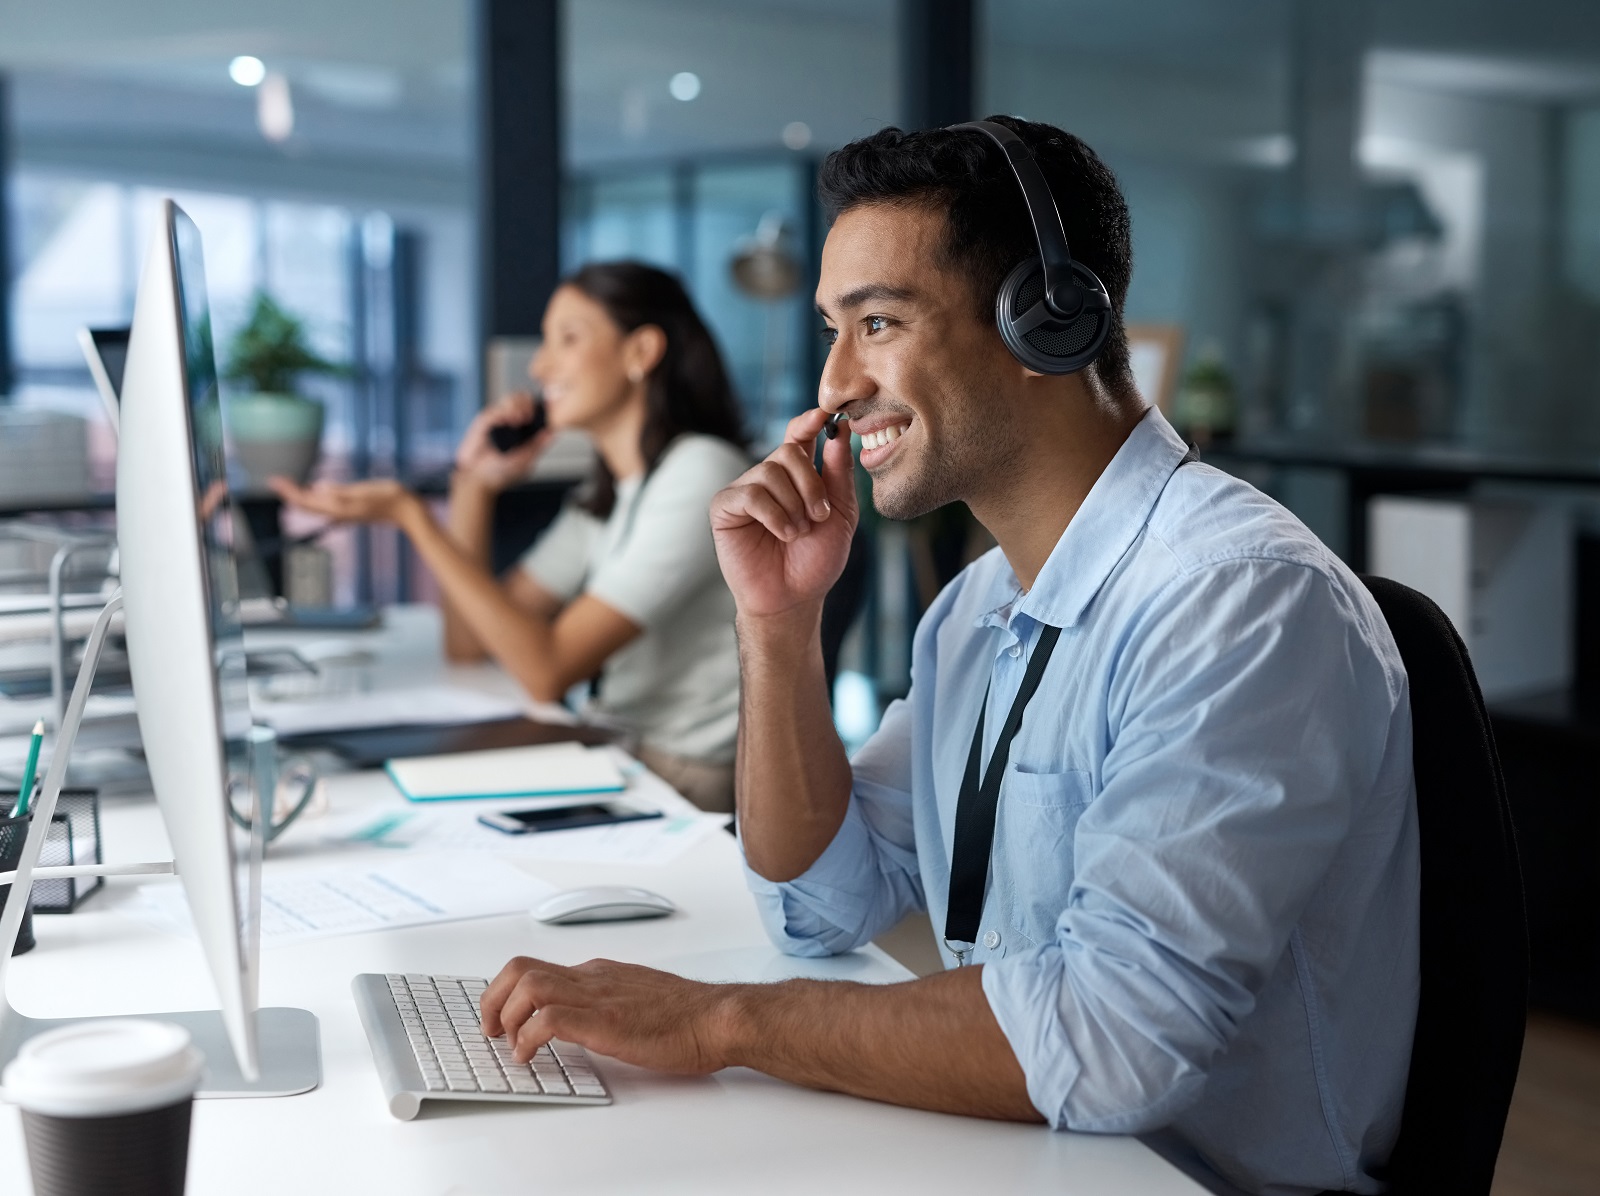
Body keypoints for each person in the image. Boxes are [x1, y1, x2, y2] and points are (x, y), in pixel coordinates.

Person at [477, 119, 1419, 1195]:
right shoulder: (977, 607)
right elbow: (818, 905)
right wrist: (778, 627)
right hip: (1016, 1146)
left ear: (1045, 323)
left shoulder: (1237, 600)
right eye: (832, 328)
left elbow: (1113, 1040)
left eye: (877, 322)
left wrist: (718, 1017)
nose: (832, 381)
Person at [272, 262, 750, 811]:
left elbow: (545, 669)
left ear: (640, 352)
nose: (542, 366)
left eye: (567, 339)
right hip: (621, 751)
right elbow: (470, 644)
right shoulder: (611, 490)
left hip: (681, 776)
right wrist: (474, 487)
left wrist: (413, 516)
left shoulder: (700, 473)